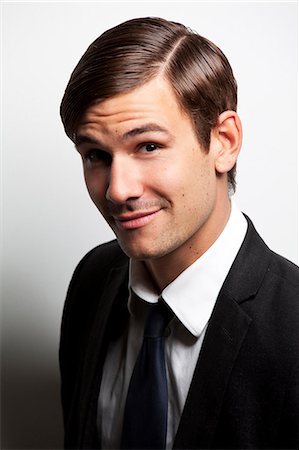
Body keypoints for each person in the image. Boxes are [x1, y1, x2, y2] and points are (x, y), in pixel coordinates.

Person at [59, 17, 299, 450]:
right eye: (96, 154)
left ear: (223, 141)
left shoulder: (294, 325)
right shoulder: (91, 280)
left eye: (148, 146)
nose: (117, 189)